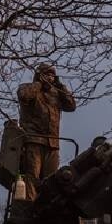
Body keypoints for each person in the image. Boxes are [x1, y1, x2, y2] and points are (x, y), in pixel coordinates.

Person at [17, 63, 76, 196]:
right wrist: (38, 84)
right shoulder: (29, 88)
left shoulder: (56, 94)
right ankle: (30, 208)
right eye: (47, 75)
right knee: (32, 178)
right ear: (39, 75)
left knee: (51, 181)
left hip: (53, 144)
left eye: (52, 75)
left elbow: (71, 106)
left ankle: (44, 210)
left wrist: (60, 86)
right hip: (34, 141)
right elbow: (23, 95)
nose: (50, 78)